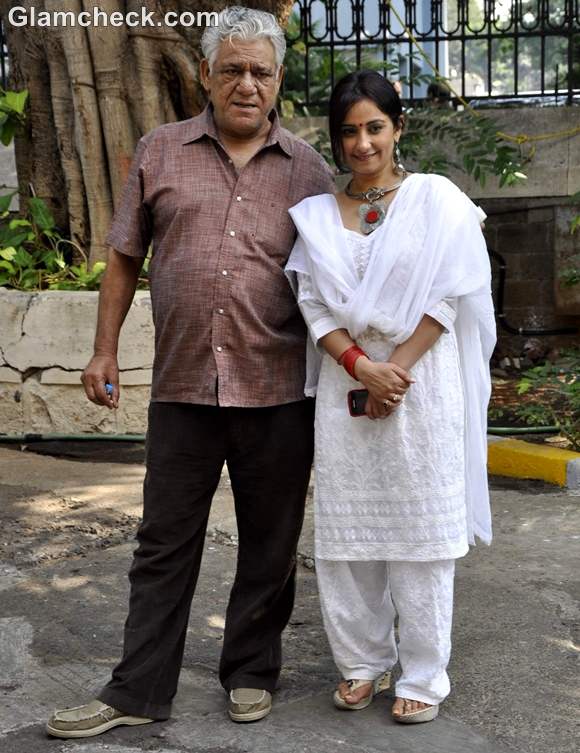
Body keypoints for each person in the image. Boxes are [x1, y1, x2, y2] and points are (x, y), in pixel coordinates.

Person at [46, 6, 335, 739]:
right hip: (182, 385)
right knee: (164, 541)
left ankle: (250, 669)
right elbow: (123, 255)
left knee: (271, 542)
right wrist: (104, 347)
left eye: (260, 72)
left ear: (277, 81)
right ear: (204, 73)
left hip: (276, 386)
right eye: (231, 69)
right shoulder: (161, 150)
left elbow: (343, 276)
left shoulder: (308, 168)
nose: (246, 84)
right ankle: (138, 687)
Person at [285, 70, 495, 724]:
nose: (363, 142)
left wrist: (393, 371)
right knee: (348, 538)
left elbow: (451, 291)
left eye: (375, 126)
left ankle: (425, 674)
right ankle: (362, 661)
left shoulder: (438, 202)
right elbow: (313, 305)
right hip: (348, 389)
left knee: (421, 536)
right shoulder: (319, 216)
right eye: (348, 131)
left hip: (422, 385)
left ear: (399, 127)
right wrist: (360, 367)